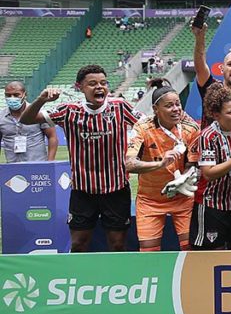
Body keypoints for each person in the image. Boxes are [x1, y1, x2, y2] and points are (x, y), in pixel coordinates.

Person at [22, 66, 141, 252]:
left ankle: (117, 279)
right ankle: (80, 279)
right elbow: (26, 119)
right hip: (82, 190)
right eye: (92, 84)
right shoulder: (68, 110)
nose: (99, 87)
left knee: (117, 244)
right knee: (79, 243)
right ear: (80, 87)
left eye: (103, 83)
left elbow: (146, 125)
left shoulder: (120, 107)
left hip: (116, 188)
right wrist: (41, 100)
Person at [126, 79, 201, 252]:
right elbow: (129, 164)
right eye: (169, 106)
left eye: (178, 104)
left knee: (189, 247)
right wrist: (160, 164)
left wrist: (185, 177)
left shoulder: (190, 129)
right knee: (149, 252)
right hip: (150, 200)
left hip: (182, 198)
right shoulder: (142, 128)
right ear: (155, 109)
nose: (176, 109)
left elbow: (193, 163)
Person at [188, 83, 231, 250]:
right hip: (212, 205)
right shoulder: (207, 136)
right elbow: (208, 173)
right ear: (216, 115)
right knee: (213, 259)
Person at [0, 81, 57, 163]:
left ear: (25, 95)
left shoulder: (40, 113)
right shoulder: (1, 116)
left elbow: (52, 137)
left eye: (16, 95)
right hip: (12, 166)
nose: (12, 98)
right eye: (8, 95)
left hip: (37, 164)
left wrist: (50, 162)